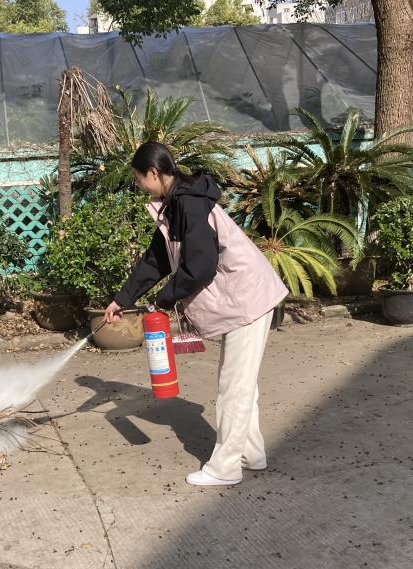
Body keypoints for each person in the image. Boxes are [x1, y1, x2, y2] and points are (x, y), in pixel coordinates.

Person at [103, 141, 288, 487]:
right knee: (240, 382)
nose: (139, 185)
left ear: (153, 173)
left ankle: (225, 468)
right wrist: (121, 300)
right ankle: (250, 454)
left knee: (234, 386)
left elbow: (202, 264)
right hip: (242, 298)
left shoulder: (188, 202)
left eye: (139, 178)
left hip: (248, 297)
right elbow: (156, 260)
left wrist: (164, 299)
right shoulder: (175, 204)